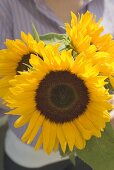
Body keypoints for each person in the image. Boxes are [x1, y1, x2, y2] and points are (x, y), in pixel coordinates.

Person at [0, 0, 114, 170]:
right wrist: (22, 88)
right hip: (32, 159)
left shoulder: (107, 3)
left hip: (97, 147)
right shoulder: (8, 5)